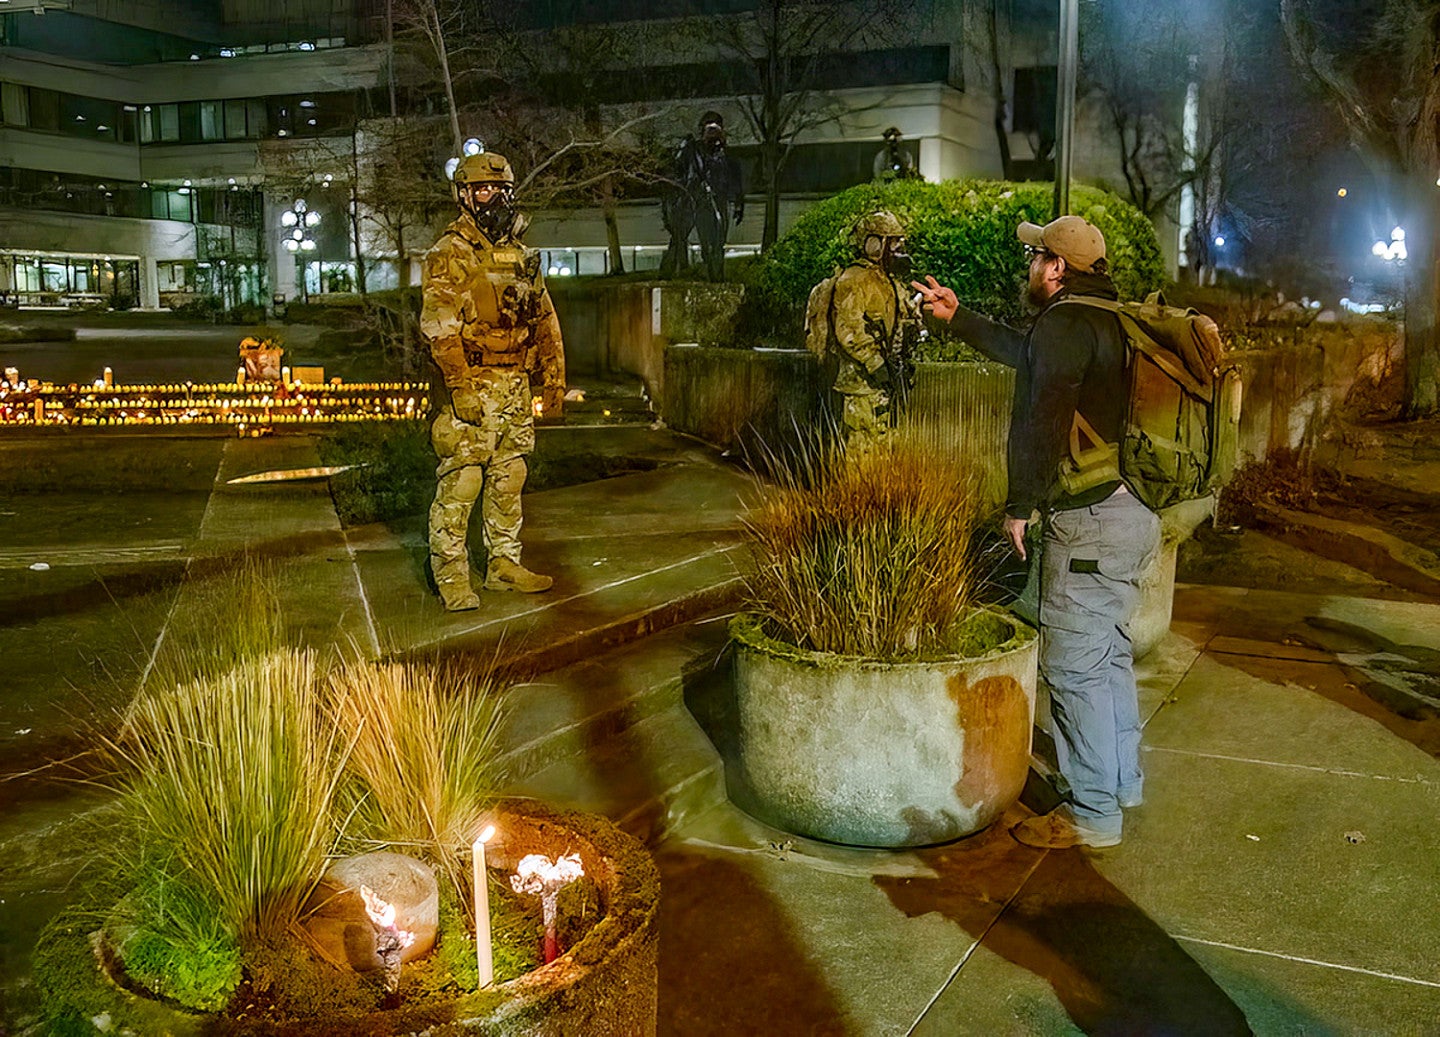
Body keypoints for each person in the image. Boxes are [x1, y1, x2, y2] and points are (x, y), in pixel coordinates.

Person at [912, 214, 1161, 849]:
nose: (1030, 266)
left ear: (1056, 267)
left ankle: (1091, 813)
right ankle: (1121, 782)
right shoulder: (1112, 320)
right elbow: (1030, 358)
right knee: (1107, 656)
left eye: (1036, 257)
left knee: (1075, 668)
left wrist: (1019, 504)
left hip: (1090, 521)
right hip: (1135, 512)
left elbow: (1042, 416)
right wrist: (958, 318)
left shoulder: (1064, 324)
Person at [421, 146, 566, 611]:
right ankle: (451, 574)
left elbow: (544, 318)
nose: (493, 198)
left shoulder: (519, 254)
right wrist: (458, 386)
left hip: (514, 384)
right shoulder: (449, 253)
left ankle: (503, 565)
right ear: (464, 196)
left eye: (500, 189)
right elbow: (439, 327)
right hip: (473, 382)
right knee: (463, 480)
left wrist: (554, 379)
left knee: (510, 476)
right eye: (482, 189)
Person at [824, 210, 922, 453]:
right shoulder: (855, 279)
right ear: (874, 244)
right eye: (893, 241)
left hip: (887, 381)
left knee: (886, 446)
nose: (898, 248)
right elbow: (848, 328)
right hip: (862, 384)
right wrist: (874, 362)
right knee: (862, 448)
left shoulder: (887, 280)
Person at [660, 111, 744, 281]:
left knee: (716, 244)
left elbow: (734, 178)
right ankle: (666, 277)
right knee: (678, 239)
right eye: (709, 128)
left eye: (716, 128)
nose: (713, 132)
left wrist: (739, 202)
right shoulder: (692, 150)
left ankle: (717, 279)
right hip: (692, 200)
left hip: (717, 200)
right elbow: (677, 171)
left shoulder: (726, 155)